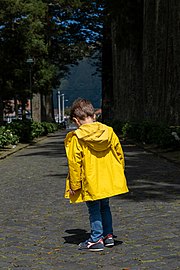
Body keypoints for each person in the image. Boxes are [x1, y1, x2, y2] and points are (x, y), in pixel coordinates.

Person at [64, 98, 129, 252]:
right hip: (107, 179)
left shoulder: (77, 137)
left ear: (76, 120)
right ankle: (108, 236)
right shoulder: (109, 132)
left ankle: (96, 239)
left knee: (94, 209)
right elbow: (120, 155)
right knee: (105, 207)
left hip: (90, 181)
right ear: (93, 115)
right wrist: (118, 174)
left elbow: (75, 163)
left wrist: (74, 185)